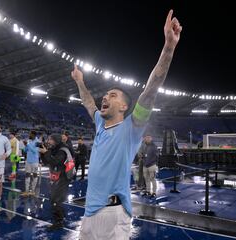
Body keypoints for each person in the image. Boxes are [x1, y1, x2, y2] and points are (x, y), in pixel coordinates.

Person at [71, 9, 182, 239]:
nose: (105, 97)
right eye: (106, 94)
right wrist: (80, 82)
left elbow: (152, 88)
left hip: (114, 215)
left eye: (112, 95)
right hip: (88, 216)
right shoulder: (100, 125)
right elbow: (88, 102)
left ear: (123, 107)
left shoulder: (133, 127)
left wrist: (168, 48)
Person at [39, 134, 71, 231]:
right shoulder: (55, 149)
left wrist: (47, 152)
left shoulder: (62, 150)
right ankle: (60, 216)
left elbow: (55, 162)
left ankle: (58, 222)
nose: (48, 142)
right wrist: (42, 153)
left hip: (63, 178)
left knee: (55, 200)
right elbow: (47, 162)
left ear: (56, 140)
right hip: (56, 177)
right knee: (55, 199)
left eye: (50, 140)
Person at [21, 131, 40, 197]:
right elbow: (25, 150)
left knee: (34, 175)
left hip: (35, 161)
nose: (29, 135)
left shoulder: (38, 142)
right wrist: (26, 146)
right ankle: (26, 191)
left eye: (30, 134)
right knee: (27, 174)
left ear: (34, 135)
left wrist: (28, 145)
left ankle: (33, 191)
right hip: (28, 161)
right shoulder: (29, 140)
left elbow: (35, 151)